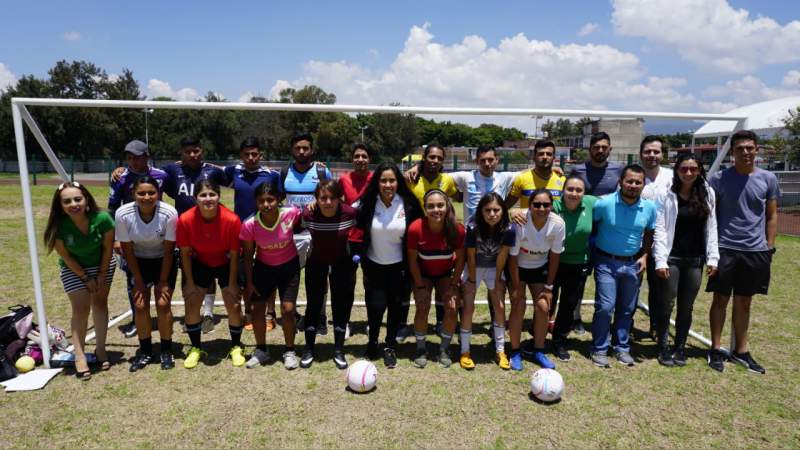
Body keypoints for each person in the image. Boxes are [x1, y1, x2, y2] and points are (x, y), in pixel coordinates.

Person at [705, 130, 779, 374]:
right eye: (740, 148)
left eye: (750, 147)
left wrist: (769, 246)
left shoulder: (768, 179)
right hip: (725, 248)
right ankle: (716, 348)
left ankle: (741, 350)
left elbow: (771, 214)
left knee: (745, 301)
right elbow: (708, 213)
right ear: (732, 153)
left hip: (754, 251)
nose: (745, 152)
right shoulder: (717, 179)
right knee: (720, 300)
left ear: (757, 149)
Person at [351, 163, 423, 368]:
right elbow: (348, 213)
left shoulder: (408, 203)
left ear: (398, 182)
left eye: (392, 180)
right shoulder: (367, 203)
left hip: (400, 268)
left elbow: (420, 229)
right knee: (375, 307)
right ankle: (372, 341)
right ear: (377, 182)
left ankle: (390, 346)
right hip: (373, 266)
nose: (388, 184)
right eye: (383, 180)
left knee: (394, 308)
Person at [43, 182, 116, 380]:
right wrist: (85, 277)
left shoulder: (103, 218)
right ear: (60, 205)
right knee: (81, 308)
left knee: (100, 303)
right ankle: (80, 355)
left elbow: (108, 249)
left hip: (102, 264)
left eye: (77, 199)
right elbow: (66, 257)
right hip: (74, 268)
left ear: (86, 200)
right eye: (67, 201)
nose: (73, 204)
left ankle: (101, 350)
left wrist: (100, 275)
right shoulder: (59, 226)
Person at [653, 154, 718, 367]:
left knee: (686, 306)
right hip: (672, 257)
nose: (688, 173)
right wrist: (660, 260)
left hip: (695, 260)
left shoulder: (707, 193)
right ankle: (663, 345)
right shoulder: (666, 193)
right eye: (684, 169)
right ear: (677, 170)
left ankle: (679, 347)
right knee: (667, 303)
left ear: (699, 170)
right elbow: (660, 228)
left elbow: (712, 227)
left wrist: (712, 257)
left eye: (693, 168)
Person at [590, 164, 657, 368]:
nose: (633, 185)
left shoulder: (649, 208)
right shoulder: (603, 204)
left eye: (638, 182)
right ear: (621, 182)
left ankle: (622, 347)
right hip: (605, 262)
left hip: (632, 265)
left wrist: (645, 256)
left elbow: (649, 233)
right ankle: (600, 348)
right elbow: (592, 228)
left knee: (627, 309)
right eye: (629, 181)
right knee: (605, 307)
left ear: (643, 184)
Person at [175, 179, 244, 369]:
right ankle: (196, 347)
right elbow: (185, 254)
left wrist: (231, 284)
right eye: (203, 195)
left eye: (212, 194)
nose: (208, 199)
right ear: (195, 198)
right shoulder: (185, 219)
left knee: (234, 304)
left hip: (225, 262)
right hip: (200, 262)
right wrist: (188, 282)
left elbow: (235, 254)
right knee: (191, 303)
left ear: (219, 197)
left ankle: (236, 346)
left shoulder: (231, 219)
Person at [162, 137, 227, 333]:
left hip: (211, 228)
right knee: (187, 270)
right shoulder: (172, 170)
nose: (192, 155)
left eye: (196, 151)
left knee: (211, 269)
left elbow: (239, 178)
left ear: (202, 151)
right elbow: (148, 175)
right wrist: (120, 170)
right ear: (181, 153)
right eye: (188, 151)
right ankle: (193, 310)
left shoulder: (213, 170)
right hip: (185, 229)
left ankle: (208, 313)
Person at [114, 177, 179, 371]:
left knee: (163, 303)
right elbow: (127, 250)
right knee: (140, 306)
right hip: (138, 260)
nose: (147, 197)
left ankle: (167, 350)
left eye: (151, 192)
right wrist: (139, 281)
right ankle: (145, 351)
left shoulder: (169, 213)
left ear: (158, 194)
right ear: (133, 194)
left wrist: (163, 281)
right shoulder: (123, 213)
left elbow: (168, 251)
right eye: (141, 193)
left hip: (163, 260)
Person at [240, 182, 302, 370]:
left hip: (289, 267)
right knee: (258, 310)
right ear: (256, 202)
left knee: (288, 309)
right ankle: (261, 350)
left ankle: (290, 351)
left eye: (270, 200)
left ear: (279, 200)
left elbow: (308, 215)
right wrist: (249, 283)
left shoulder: (291, 214)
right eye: (261, 201)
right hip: (263, 268)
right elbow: (248, 256)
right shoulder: (250, 224)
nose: (266, 204)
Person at [109, 140, 168, 339]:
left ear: (147, 156)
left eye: (138, 156)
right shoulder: (120, 177)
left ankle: (160, 318)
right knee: (132, 279)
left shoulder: (161, 176)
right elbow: (112, 207)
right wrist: (117, 237)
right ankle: (138, 319)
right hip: (130, 234)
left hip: (156, 232)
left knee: (162, 277)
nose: (134, 160)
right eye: (130, 157)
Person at [297, 180, 357, 369]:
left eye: (333, 197)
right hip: (316, 263)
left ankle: (338, 349)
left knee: (341, 306)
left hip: (342, 264)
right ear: (316, 199)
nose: (328, 202)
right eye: (323, 198)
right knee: (313, 305)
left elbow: (363, 229)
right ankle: (309, 349)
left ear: (340, 198)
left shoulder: (350, 214)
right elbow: (294, 229)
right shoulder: (308, 214)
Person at [568, 131, 624, 335]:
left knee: (607, 277)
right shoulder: (577, 169)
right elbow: (569, 192)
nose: (600, 150)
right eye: (596, 147)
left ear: (610, 149)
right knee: (579, 278)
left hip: (608, 231)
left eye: (604, 147)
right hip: (583, 232)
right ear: (590, 149)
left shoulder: (619, 169)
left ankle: (604, 318)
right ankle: (575, 317)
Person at [223, 137, 282, 331]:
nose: (250, 157)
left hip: (266, 229)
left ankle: (270, 313)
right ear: (241, 155)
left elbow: (278, 199)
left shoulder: (271, 175)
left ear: (260, 155)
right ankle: (248, 311)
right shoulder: (233, 172)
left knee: (270, 272)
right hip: (242, 231)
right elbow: (207, 173)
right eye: (246, 154)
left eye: (254, 154)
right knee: (243, 274)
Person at [406, 189, 465, 369]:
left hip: (445, 273)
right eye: (430, 206)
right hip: (423, 273)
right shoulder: (416, 228)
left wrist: (454, 285)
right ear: (425, 208)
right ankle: (421, 348)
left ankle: (444, 349)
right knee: (422, 306)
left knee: (452, 307)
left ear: (447, 206)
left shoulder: (457, 229)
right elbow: (412, 261)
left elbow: (461, 259)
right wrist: (420, 286)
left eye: (440, 205)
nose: (436, 210)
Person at [281, 132, 333, 335]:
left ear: (312, 150)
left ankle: (320, 316)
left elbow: (334, 197)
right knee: (290, 276)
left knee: (320, 277)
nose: (302, 151)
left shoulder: (322, 171)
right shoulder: (284, 172)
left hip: (316, 233)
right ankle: (293, 314)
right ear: (292, 150)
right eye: (297, 148)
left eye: (305, 148)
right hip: (292, 233)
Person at [404, 145, 458, 339]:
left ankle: (441, 323)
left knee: (441, 280)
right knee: (411, 282)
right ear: (424, 158)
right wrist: (414, 169)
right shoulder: (411, 179)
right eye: (431, 157)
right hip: (413, 236)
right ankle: (403, 324)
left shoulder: (447, 181)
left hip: (439, 237)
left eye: (439, 158)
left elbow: (461, 195)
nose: (434, 160)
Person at [508, 189, 564, 371]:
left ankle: (538, 350)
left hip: (539, 268)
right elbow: (513, 258)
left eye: (546, 205)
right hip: (518, 268)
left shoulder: (558, 224)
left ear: (551, 206)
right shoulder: (520, 221)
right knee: (518, 305)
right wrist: (516, 287)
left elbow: (555, 257)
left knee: (543, 307)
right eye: (536, 204)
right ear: (529, 205)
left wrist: (549, 287)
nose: (541, 208)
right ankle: (515, 351)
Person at [461, 193, 517, 370]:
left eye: (496, 210)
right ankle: (464, 351)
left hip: (494, 267)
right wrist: (471, 278)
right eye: (488, 210)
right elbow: (470, 256)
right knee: (469, 307)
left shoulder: (509, 228)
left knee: (500, 307)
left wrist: (499, 277)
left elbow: (503, 255)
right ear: (481, 212)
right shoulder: (472, 227)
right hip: (474, 267)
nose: (492, 214)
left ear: (503, 211)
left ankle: (500, 350)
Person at [550, 175, 597, 362]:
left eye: (579, 190)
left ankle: (560, 340)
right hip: (553, 261)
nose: (574, 193)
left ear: (584, 193)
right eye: (570, 189)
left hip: (578, 263)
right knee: (546, 302)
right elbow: (529, 209)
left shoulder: (592, 204)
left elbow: (614, 201)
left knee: (569, 305)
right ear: (563, 190)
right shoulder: (553, 206)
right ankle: (539, 339)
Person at [638, 135, 674, 341]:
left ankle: (657, 326)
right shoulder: (633, 175)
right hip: (635, 242)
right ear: (641, 153)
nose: (651, 155)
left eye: (656, 151)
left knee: (659, 288)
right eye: (647, 151)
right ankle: (625, 324)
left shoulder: (671, 177)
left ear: (662, 154)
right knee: (631, 285)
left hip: (663, 243)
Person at [505, 140, 566, 223]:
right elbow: (505, 207)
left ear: (554, 158)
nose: (545, 157)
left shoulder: (562, 180)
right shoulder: (522, 179)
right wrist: (512, 212)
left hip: (553, 231)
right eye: (541, 154)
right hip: (527, 231)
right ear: (534, 157)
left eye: (549, 154)